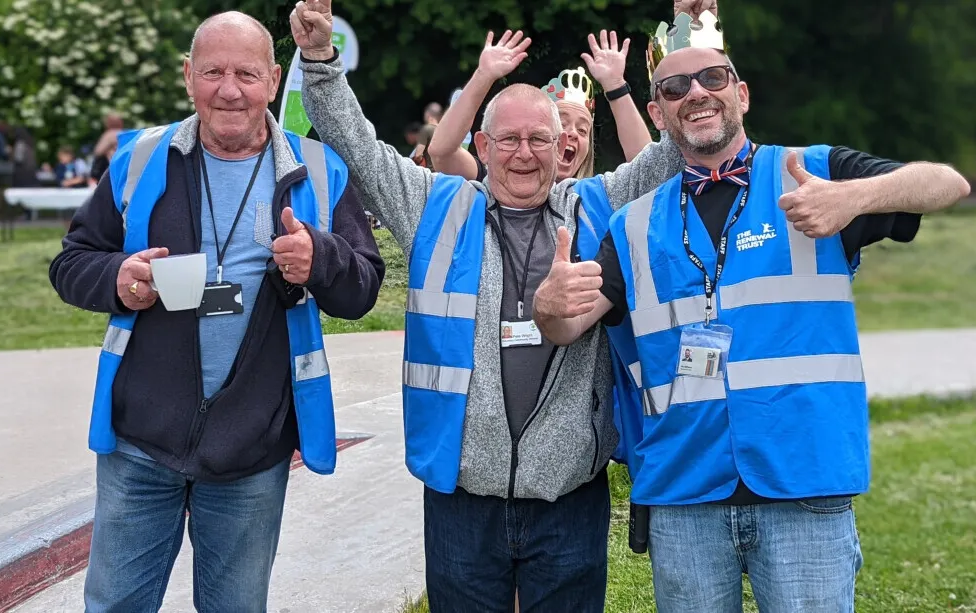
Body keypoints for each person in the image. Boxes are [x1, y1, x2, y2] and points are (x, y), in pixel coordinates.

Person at [532, 10, 972, 612]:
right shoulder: (631, 223)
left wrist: (855, 197)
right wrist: (547, 305)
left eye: (713, 78)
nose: (696, 94)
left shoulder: (811, 173)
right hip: (686, 491)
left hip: (803, 484)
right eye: (674, 88)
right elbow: (566, 325)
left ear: (740, 93)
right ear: (657, 114)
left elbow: (947, 183)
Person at [291, 1, 691, 610]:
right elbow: (358, 145)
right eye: (508, 139)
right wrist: (320, 59)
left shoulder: (600, 206)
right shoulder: (437, 206)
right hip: (462, 496)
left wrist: (696, 31)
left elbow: (675, 152)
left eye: (540, 139)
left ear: (565, 149)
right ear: (483, 142)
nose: (524, 153)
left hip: (569, 496)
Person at [47, 11, 384, 611]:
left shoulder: (319, 170)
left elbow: (362, 290)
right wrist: (117, 280)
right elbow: (71, 262)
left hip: (250, 450)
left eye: (247, 74)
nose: (230, 89)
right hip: (140, 444)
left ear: (275, 80)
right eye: (213, 72)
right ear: (188, 77)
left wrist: (320, 259)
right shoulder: (141, 159)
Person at [426, 29, 652, 182]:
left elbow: (649, 168)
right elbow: (442, 153)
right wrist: (483, 76)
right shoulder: (500, 181)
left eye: (583, 130)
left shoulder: (597, 197)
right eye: (562, 124)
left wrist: (616, 86)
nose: (572, 134)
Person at [89, 113, 124, 182]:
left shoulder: (109, 134)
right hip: (123, 166)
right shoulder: (125, 133)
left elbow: (98, 151)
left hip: (112, 168)